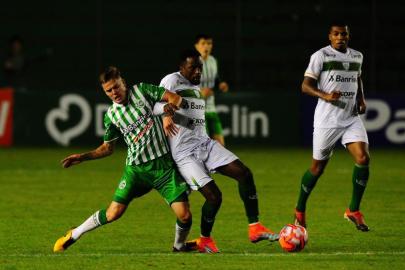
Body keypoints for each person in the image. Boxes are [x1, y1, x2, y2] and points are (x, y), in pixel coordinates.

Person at [53, 66, 194, 252]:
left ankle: (179, 246)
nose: (114, 93)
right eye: (108, 90)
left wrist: (168, 115)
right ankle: (75, 233)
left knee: (184, 215)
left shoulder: (142, 91)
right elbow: (107, 148)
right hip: (135, 171)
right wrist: (83, 157)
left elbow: (176, 99)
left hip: (163, 168)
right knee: (113, 213)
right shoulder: (111, 116)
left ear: (123, 83)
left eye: (116, 87)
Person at [154, 49, 279, 253]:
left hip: (205, 143)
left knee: (244, 174)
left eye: (200, 67)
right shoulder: (171, 81)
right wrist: (166, 114)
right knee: (214, 197)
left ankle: (255, 227)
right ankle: (205, 240)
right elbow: (154, 105)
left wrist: (181, 119)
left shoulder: (196, 86)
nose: (197, 71)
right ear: (181, 68)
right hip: (185, 153)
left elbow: (189, 120)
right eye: (192, 67)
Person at [294, 22, 370, 232]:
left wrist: (361, 99)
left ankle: (353, 210)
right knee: (317, 168)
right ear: (330, 36)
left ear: (348, 36)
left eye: (343, 34)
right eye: (336, 34)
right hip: (327, 120)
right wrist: (325, 95)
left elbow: (358, 78)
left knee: (363, 158)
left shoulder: (357, 56)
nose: (340, 37)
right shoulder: (321, 56)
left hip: (350, 117)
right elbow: (305, 86)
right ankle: (300, 208)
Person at [194, 34, 228, 146]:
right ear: (196, 46)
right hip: (197, 110)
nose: (206, 46)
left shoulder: (213, 60)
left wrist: (220, 84)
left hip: (211, 108)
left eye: (209, 43)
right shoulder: (192, 63)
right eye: (203, 43)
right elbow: (183, 85)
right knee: (204, 145)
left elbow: (215, 77)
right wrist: (199, 93)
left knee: (221, 145)